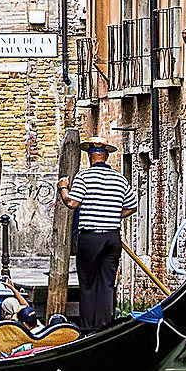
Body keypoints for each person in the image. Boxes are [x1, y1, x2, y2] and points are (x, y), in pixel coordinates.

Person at [62, 139, 133, 330]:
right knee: (107, 283)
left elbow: (72, 203)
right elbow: (131, 206)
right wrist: (111, 214)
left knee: (88, 282)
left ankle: (88, 328)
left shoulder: (84, 177)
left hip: (91, 238)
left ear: (89, 156)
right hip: (112, 237)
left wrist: (63, 188)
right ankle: (104, 326)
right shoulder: (120, 179)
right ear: (106, 157)